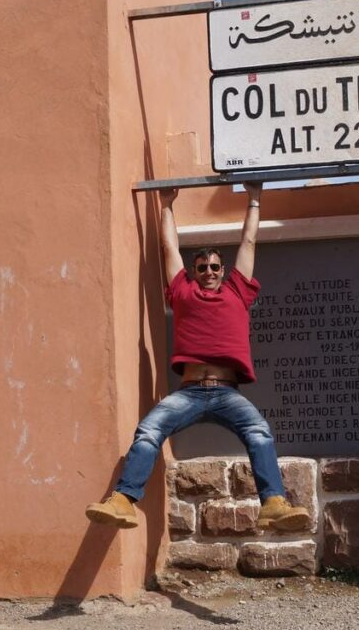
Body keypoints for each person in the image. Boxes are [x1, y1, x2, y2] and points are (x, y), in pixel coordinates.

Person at [86, 183, 310, 532]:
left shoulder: (237, 290)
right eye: (202, 267)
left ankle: (273, 504)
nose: (209, 272)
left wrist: (254, 198)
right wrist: (166, 204)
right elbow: (169, 247)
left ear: (223, 270)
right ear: (194, 271)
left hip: (227, 393)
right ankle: (123, 501)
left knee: (259, 433)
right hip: (189, 392)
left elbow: (248, 242)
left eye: (215, 267)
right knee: (149, 431)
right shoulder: (182, 291)